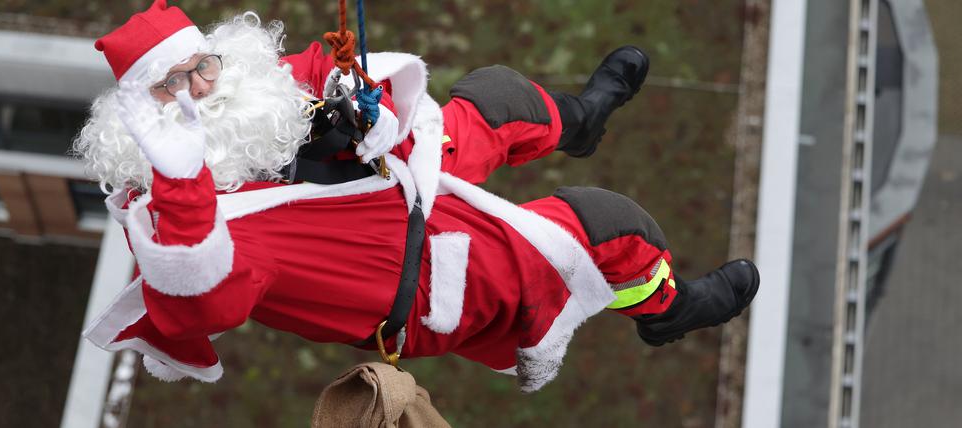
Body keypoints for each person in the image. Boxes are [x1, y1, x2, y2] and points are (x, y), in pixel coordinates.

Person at [76, 0, 759, 393]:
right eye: (173, 84)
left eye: (203, 65)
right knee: (608, 228)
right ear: (141, 115)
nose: (200, 86)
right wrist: (182, 182)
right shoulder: (171, 227)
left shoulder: (251, 87)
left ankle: (581, 121)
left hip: (397, 172)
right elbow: (205, 298)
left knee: (498, 99)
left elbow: (324, 70)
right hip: (424, 267)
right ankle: (666, 308)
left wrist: (370, 107)